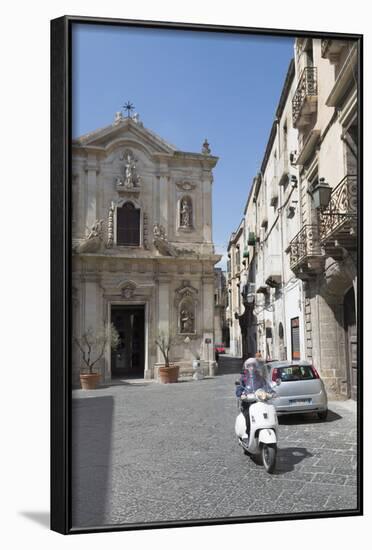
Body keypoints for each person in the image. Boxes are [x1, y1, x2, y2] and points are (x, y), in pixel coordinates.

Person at [235, 357, 274, 439]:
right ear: (246, 367)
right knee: (248, 415)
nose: (251, 368)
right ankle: (248, 434)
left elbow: (266, 385)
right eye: (249, 366)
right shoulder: (243, 378)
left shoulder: (259, 377)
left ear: (256, 366)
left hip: (259, 401)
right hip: (248, 402)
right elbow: (239, 388)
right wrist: (241, 394)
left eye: (253, 365)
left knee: (267, 413)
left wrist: (271, 392)